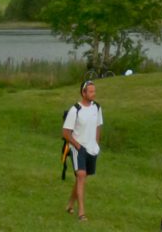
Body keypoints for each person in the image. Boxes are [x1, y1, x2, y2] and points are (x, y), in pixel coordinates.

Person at [61, 80, 104, 220]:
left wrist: (96, 143)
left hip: (92, 148)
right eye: (90, 91)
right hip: (78, 148)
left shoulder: (97, 108)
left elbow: (98, 126)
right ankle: (81, 212)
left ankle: (69, 204)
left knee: (82, 177)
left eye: (94, 91)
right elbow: (65, 133)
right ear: (83, 93)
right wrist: (77, 145)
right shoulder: (75, 110)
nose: (93, 94)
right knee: (80, 175)